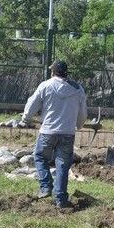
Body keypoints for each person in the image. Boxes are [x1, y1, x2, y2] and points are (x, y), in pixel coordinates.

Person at [21, 60, 87, 208]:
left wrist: (26, 118)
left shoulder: (46, 85)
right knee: (63, 165)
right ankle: (61, 200)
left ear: (53, 72)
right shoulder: (77, 89)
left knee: (39, 156)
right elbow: (82, 112)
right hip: (68, 133)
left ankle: (45, 186)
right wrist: (79, 125)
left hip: (48, 132)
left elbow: (32, 105)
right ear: (66, 72)